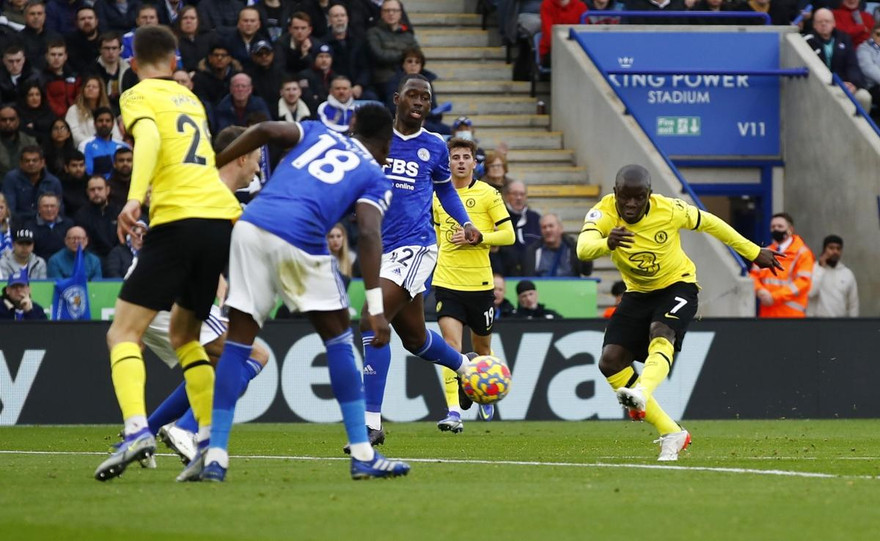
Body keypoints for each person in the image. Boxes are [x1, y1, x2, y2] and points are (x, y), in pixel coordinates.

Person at [187, 104, 411, 482]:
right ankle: (362, 453)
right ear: (387, 145)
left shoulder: (317, 132)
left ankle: (216, 456)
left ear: (352, 126)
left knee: (238, 342)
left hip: (251, 225)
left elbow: (268, 130)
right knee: (339, 338)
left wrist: (214, 162)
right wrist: (376, 308)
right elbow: (371, 234)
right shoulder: (375, 176)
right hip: (300, 234)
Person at [94, 25, 242, 482]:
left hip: (178, 219)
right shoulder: (190, 99)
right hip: (218, 221)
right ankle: (207, 446)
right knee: (185, 336)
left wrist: (135, 197)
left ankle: (138, 429)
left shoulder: (138, 94)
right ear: (176, 61)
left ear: (133, 64)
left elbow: (152, 142)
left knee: (122, 334)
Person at [576, 164, 783, 461]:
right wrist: (605, 242)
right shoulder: (604, 212)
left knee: (662, 332)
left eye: (639, 197)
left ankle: (642, 392)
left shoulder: (670, 209)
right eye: (625, 198)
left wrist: (752, 251)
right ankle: (672, 431)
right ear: (615, 193)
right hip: (638, 293)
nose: (631, 204)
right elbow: (583, 249)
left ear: (649, 194)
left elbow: (711, 223)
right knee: (609, 362)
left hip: (678, 286)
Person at [358, 73, 482, 449]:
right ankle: (467, 366)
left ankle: (370, 423)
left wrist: (466, 222)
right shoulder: (377, 141)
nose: (419, 102)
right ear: (397, 99)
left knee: (371, 317)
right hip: (381, 247)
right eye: (412, 95)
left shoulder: (435, 146)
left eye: (425, 98)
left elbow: (445, 191)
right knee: (414, 338)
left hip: (416, 246)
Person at [433, 137, 514, 433]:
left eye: (467, 157)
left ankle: (483, 390)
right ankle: (453, 411)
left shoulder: (488, 194)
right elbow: (437, 235)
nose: (461, 162)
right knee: (451, 347)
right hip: (446, 281)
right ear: (448, 162)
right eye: (455, 157)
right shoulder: (437, 195)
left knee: (482, 349)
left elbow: (509, 235)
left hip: (480, 284)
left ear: (475, 163)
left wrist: (481, 237)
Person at [805, 8, 872, 112]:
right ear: (814, 25)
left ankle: (858, 127)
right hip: (820, 85)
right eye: (820, 22)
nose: (823, 24)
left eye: (827, 21)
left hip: (845, 83)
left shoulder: (844, 39)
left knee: (864, 96)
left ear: (834, 23)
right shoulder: (807, 41)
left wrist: (853, 84)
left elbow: (852, 65)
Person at [751, 212, 814, 318]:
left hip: (791, 316)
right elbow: (753, 276)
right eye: (773, 227)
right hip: (767, 314)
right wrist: (760, 291)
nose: (776, 229)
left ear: (790, 229)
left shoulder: (802, 253)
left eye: (780, 226)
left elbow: (803, 283)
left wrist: (774, 297)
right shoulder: (764, 252)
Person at [366, 0, 417, 99]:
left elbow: (417, 54)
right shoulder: (373, 33)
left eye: (394, 10)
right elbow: (380, 55)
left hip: (406, 76)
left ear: (400, 13)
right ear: (382, 13)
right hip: (383, 79)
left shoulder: (407, 34)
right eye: (387, 10)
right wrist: (404, 53)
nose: (391, 13)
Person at [2, 145, 62, 224]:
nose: (31, 163)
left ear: (42, 162)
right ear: (21, 163)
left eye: (34, 160)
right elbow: (9, 209)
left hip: (44, 224)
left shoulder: (53, 182)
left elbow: (59, 210)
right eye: (27, 161)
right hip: (18, 224)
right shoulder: (11, 178)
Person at [523, 213, 593, 277]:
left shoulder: (573, 248)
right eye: (544, 227)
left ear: (561, 228)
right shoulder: (532, 252)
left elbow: (587, 272)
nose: (548, 230)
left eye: (551, 226)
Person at [73, 175, 120, 267]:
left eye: (100, 189)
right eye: (92, 190)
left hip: (116, 257)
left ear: (107, 190)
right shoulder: (81, 215)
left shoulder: (119, 212)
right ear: (87, 192)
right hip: (92, 259)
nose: (96, 192)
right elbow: (85, 244)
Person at [807, 234, 858, 317]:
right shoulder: (813, 269)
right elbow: (810, 293)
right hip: (816, 323)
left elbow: (853, 304)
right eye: (831, 248)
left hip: (839, 323)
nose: (835, 252)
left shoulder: (847, 273)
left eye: (838, 248)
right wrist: (821, 269)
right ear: (824, 250)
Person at [66, 75, 123, 148]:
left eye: (94, 87)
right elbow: (74, 133)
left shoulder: (107, 110)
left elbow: (116, 134)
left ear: (100, 91)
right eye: (88, 86)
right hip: (83, 149)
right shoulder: (73, 110)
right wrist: (95, 145)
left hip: (108, 148)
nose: (90, 89)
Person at [79, 107, 128, 178]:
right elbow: (88, 172)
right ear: (94, 123)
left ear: (113, 124)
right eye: (100, 121)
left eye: (107, 121)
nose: (104, 123)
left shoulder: (123, 146)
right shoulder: (85, 145)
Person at [538, 0, 587, 68]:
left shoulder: (581, 6)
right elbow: (548, 35)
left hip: (576, 51)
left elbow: (584, 33)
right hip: (551, 51)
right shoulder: (546, 4)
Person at [26, 192, 73, 260]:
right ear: (39, 209)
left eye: (52, 206)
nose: (49, 209)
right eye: (45, 206)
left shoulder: (68, 224)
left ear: (58, 208)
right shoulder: (29, 227)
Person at [0, 104, 39, 179]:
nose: (8, 123)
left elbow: (40, 168)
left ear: (18, 121)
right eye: (4, 120)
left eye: (12, 119)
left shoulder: (30, 142)